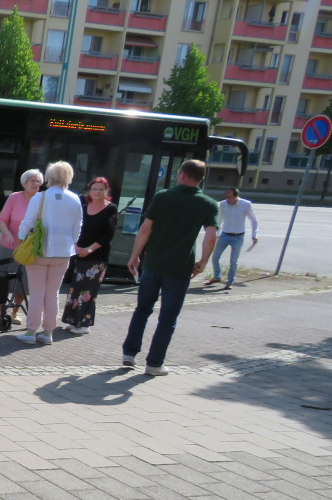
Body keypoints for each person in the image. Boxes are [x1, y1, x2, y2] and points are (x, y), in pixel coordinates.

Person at [122, 159, 219, 376]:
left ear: (182, 175)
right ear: (201, 178)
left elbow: (145, 229)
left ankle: (129, 353)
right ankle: (154, 364)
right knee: (168, 317)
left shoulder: (162, 196)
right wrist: (203, 262)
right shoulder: (209, 204)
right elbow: (211, 235)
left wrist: (134, 256)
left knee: (142, 310)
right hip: (181, 267)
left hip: (153, 263)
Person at [14, 160, 82, 345]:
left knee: (36, 293)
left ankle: (30, 332)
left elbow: (27, 223)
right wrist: (72, 243)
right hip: (63, 253)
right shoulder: (75, 198)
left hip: (39, 251)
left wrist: (21, 241)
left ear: (49, 177)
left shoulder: (40, 197)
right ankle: (49, 333)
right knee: (53, 293)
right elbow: (78, 227)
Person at [61, 177, 118, 334]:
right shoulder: (82, 206)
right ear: (89, 190)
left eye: (101, 189)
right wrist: (77, 246)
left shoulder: (111, 209)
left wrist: (89, 249)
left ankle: (84, 324)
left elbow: (108, 235)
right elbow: (74, 227)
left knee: (88, 291)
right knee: (76, 288)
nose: (97, 192)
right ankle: (73, 320)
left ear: (107, 191)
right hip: (79, 254)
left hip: (97, 258)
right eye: (95, 189)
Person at [0, 169, 42, 317]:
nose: (35, 184)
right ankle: (0, 312)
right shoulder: (14, 197)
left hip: (29, 248)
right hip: (9, 245)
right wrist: (8, 234)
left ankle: (14, 314)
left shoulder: (42, 200)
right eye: (32, 181)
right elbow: (2, 220)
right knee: (4, 280)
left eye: (38, 181)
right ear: (24, 183)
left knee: (23, 282)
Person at [205, 187, 259, 289]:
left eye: (230, 197)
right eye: (226, 197)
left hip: (238, 236)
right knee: (215, 257)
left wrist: (254, 235)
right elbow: (219, 219)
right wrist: (217, 232)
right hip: (225, 235)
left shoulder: (245, 204)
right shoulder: (223, 204)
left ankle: (230, 281)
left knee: (233, 260)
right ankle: (217, 276)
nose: (228, 199)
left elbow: (253, 219)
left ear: (236, 196)